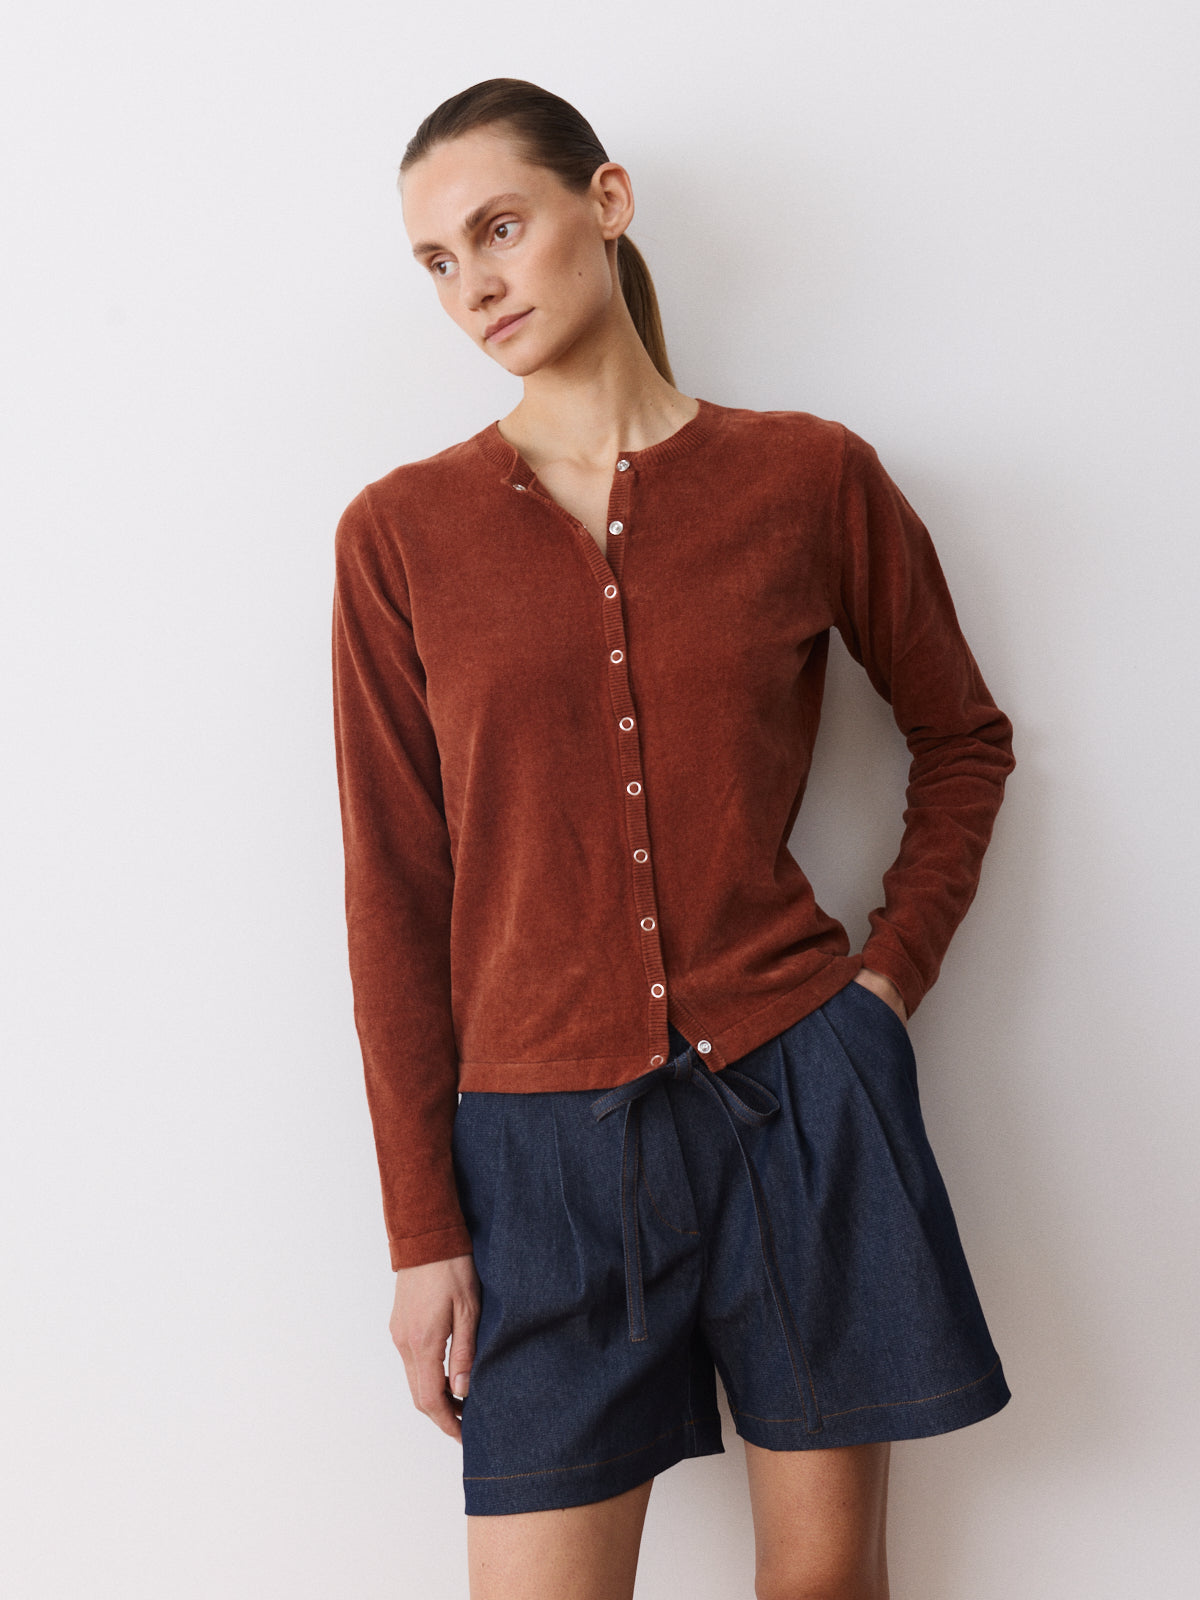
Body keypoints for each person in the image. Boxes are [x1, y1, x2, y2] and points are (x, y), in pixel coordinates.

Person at [331, 77, 1016, 1600]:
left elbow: (965, 737)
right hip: (537, 1163)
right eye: (436, 261)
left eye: (498, 228)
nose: (474, 285)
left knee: (825, 1587)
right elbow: (394, 890)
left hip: (802, 1105)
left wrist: (883, 987)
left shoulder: (807, 477)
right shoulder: (399, 536)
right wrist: (422, 1231)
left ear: (608, 202)